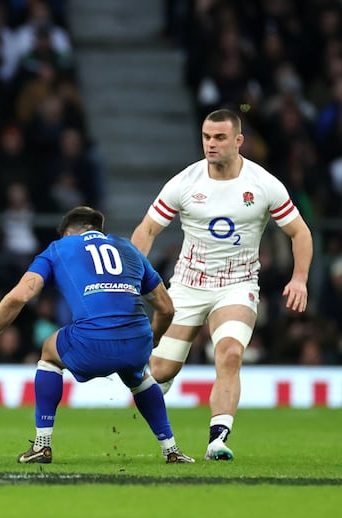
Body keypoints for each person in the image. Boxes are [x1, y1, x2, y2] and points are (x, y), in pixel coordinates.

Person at [130, 108, 313, 461]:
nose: (210, 144)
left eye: (219, 137)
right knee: (161, 370)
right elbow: (148, 229)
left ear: (238, 140)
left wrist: (300, 278)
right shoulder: (185, 182)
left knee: (229, 354)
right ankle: (158, 377)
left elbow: (300, 232)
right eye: (206, 137)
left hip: (237, 285)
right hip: (187, 285)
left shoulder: (263, 184)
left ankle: (217, 439)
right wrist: (134, 275)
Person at [0, 206, 194, 465]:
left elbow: (20, 296)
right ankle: (171, 450)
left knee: (49, 351)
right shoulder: (128, 248)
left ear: (68, 233)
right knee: (139, 376)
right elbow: (166, 308)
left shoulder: (59, 248)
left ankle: (42, 446)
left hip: (93, 342)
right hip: (137, 339)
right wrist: (153, 338)